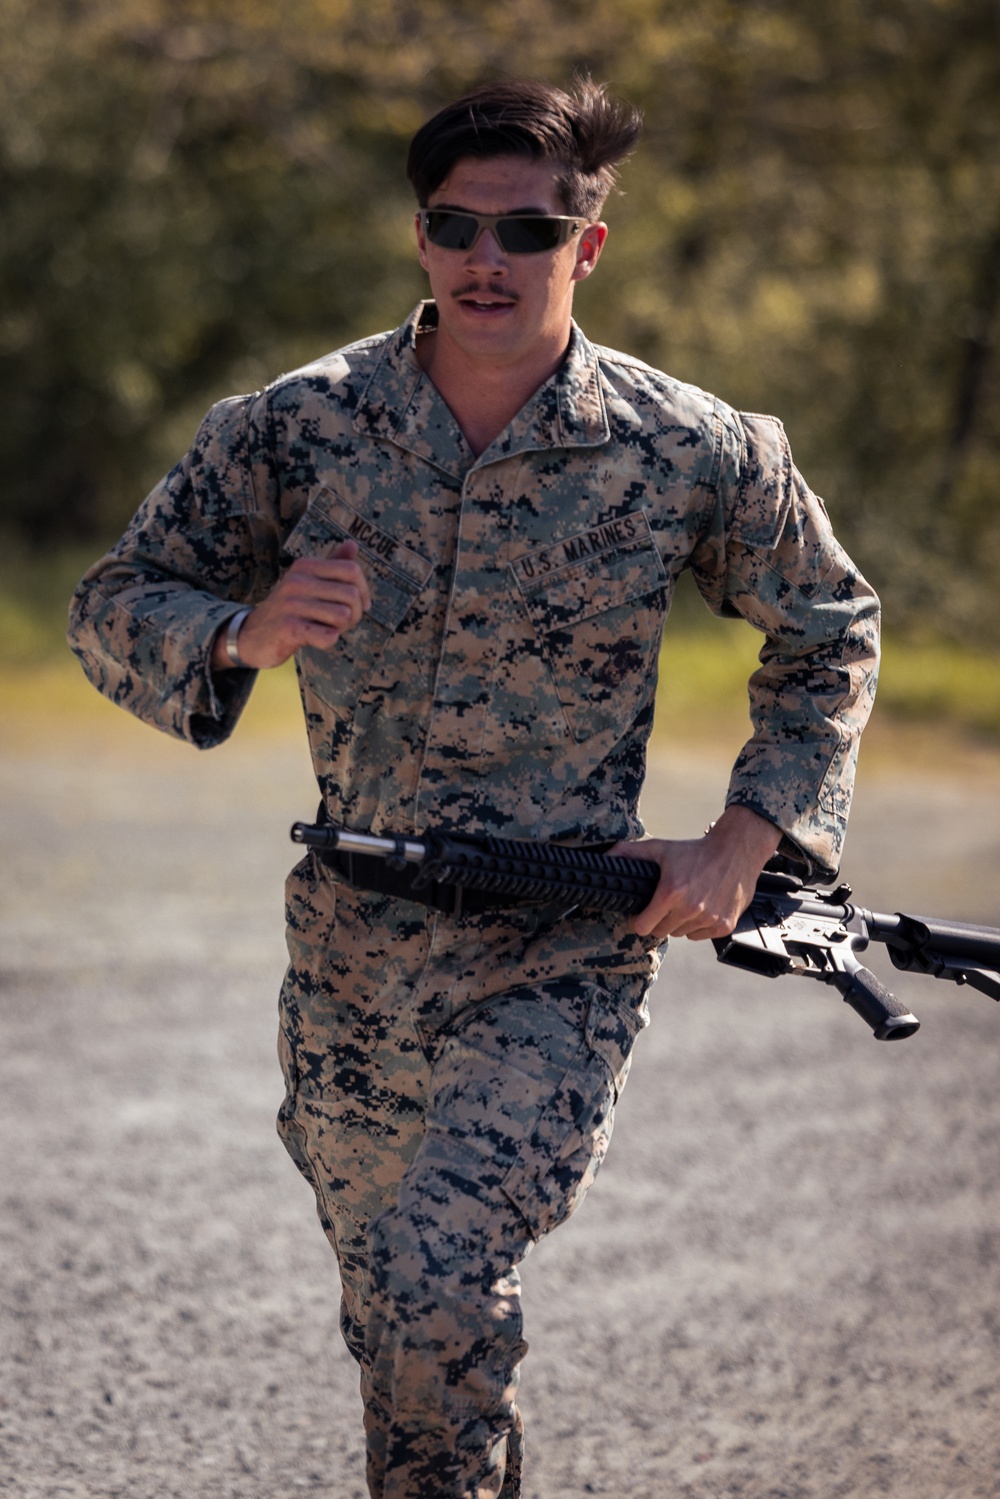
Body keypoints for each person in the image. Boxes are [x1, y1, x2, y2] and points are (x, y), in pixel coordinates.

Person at [68, 77, 879, 1499]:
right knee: (398, 1313)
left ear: (589, 246)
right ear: (421, 237)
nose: (486, 257)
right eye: (455, 225)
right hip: (350, 943)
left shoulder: (688, 445)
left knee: (434, 1279)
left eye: (526, 228)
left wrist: (745, 845)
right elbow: (117, 601)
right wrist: (241, 635)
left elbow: (829, 633)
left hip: (557, 947)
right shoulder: (298, 425)